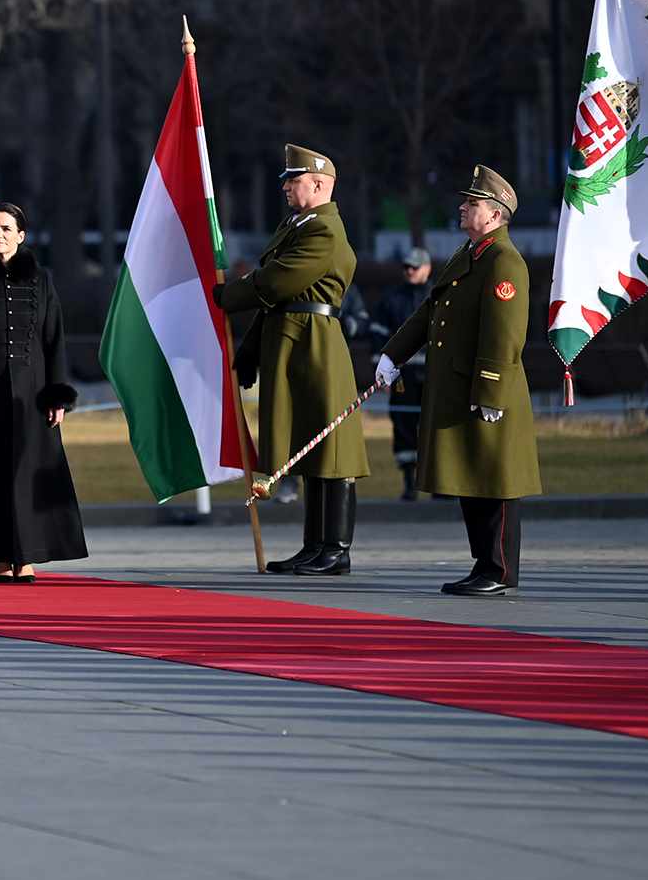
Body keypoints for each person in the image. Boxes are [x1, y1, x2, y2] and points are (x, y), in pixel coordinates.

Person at [377, 166, 541, 596]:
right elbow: (431, 311)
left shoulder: (504, 261)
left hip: (487, 388)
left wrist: (491, 390)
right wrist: (394, 352)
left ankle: (499, 570)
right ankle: (484, 563)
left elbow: (505, 334)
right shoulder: (471, 253)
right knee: (472, 476)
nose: (463, 207)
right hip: (460, 387)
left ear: (495, 214)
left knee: (495, 478)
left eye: (472, 203)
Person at [214, 143, 370, 575]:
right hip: (292, 339)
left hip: (316, 345)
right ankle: (314, 545)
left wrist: (230, 294)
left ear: (319, 185)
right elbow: (277, 302)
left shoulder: (325, 230)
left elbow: (278, 281)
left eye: (293, 180)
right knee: (307, 445)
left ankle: (336, 548)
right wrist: (251, 350)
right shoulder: (297, 224)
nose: (285, 186)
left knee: (330, 449)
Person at [0, 203, 83, 583]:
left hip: (31, 396)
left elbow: (54, 340)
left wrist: (57, 396)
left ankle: (27, 556)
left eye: (6, 229)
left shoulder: (40, 280)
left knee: (27, 475)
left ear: (20, 236)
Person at [371, 247, 434, 501]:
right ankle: (410, 482)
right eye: (406, 266)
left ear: (428, 269)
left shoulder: (439, 297)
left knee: (435, 429)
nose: (410, 271)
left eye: (415, 267)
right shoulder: (391, 299)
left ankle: (439, 485)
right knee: (404, 427)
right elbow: (377, 336)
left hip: (432, 377)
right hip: (402, 379)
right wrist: (381, 373)